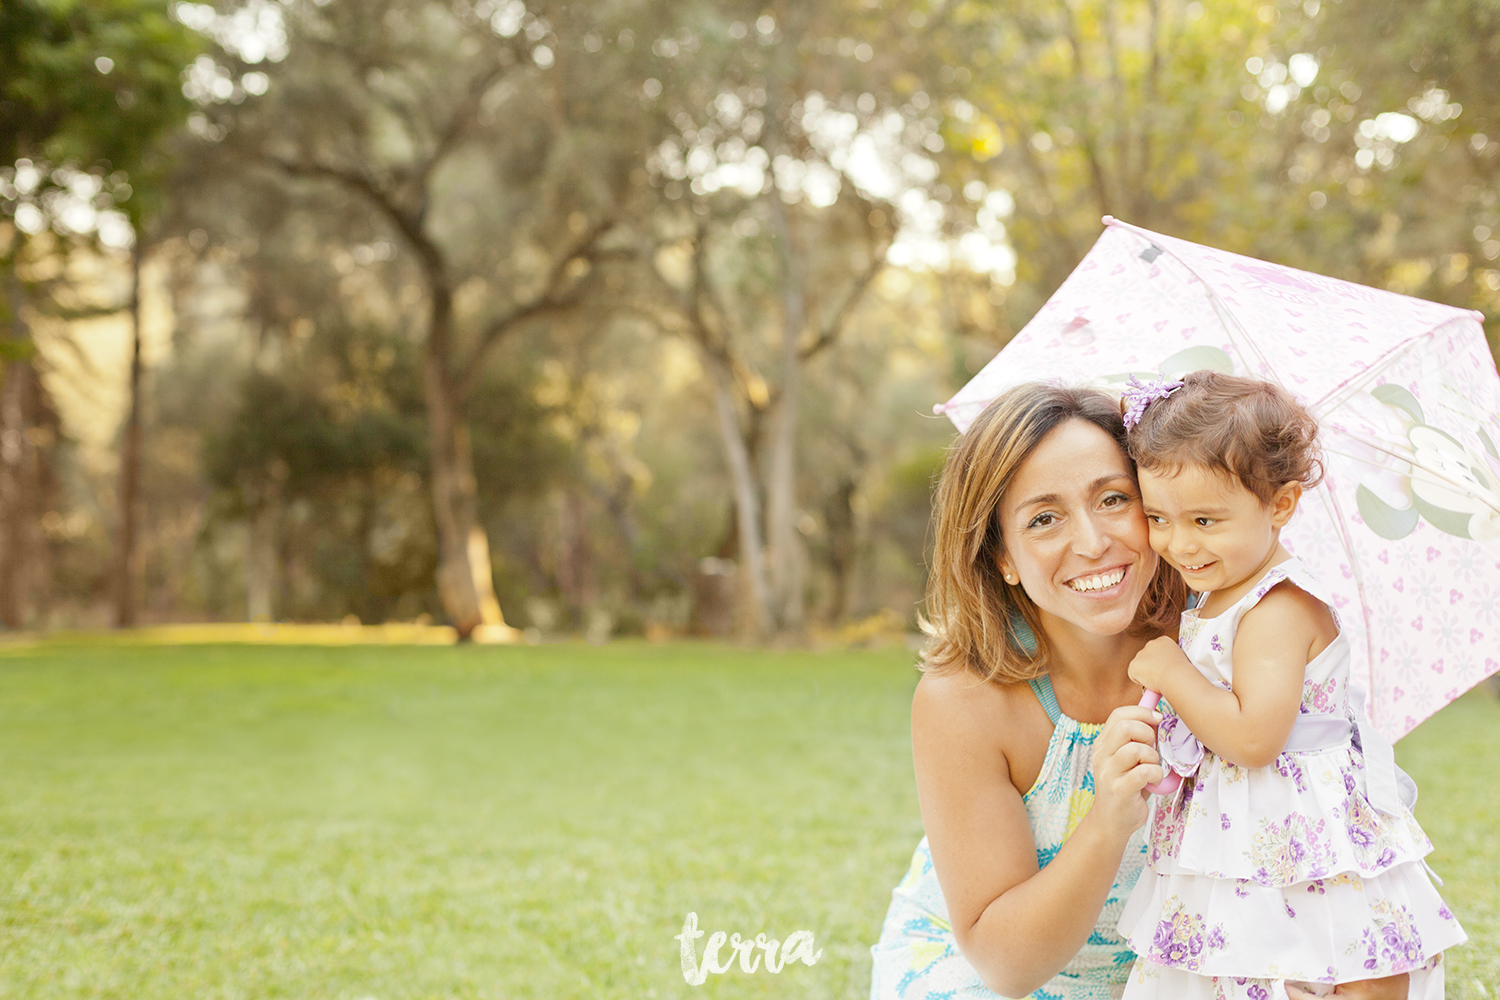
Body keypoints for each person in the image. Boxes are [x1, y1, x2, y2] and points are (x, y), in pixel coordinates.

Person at [868, 382, 1415, 1000]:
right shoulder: (964, 701)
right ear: (1003, 557)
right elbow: (1006, 968)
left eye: (1114, 499)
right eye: (1044, 518)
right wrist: (1107, 821)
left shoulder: (1226, 639)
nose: (1094, 542)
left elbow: (1309, 816)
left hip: (1180, 973)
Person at [1115, 372, 1466, 998]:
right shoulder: (1220, 592)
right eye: (1158, 518)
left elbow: (1254, 738)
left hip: (1297, 823)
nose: (1179, 543)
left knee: (1333, 958)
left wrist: (1174, 674)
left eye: (1204, 519)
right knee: (1242, 958)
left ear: (1280, 505)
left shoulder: (1276, 608)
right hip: (1243, 827)